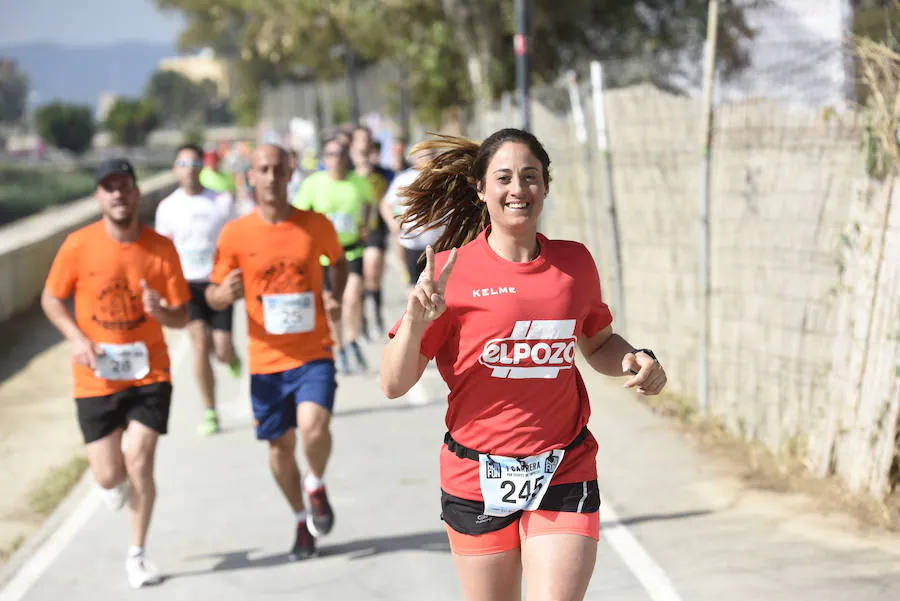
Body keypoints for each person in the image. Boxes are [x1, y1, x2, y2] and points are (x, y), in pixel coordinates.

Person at [379, 129, 668, 601]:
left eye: (530, 177)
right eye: (505, 178)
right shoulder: (449, 273)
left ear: (546, 187)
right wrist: (414, 321)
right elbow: (393, 384)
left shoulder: (574, 263)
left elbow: (598, 344)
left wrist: (636, 360)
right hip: (476, 472)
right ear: (481, 189)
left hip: (563, 465)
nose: (519, 189)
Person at [41, 158, 191, 589]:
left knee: (139, 460)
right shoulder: (77, 245)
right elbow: (52, 300)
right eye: (110, 188)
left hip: (149, 373)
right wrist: (75, 338)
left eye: (125, 186)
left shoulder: (161, 249)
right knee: (109, 475)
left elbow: (181, 317)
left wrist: (161, 311)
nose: (118, 194)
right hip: (96, 377)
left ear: (136, 193)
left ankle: (137, 554)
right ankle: (116, 485)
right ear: (98, 196)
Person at [206, 144, 348, 560]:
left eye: (278, 170)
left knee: (313, 427)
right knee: (279, 449)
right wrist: (223, 294)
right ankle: (301, 518)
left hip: (313, 352)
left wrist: (333, 295)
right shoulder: (235, 234)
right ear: (250, 177)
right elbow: (213, 294)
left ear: (290, 175)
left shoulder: (315, 225)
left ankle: (316, 482)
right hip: (266, 361)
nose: (271, 177)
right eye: (262, 170)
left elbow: (337, 263)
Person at [155, 143, 242, 436]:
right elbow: (162, 251)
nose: (189, 169)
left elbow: (235, 241)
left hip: (217, 282)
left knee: (221, 347)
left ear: (202, 168)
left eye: (194, 164)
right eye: (183, 163)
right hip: (186, 285)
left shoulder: (221, 201)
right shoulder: (167, 207)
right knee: (200, 344)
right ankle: (210, 411)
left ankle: (231, 357)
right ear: (174, 169)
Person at [293, 136, 373, 374]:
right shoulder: (313, 184)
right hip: (324, 257)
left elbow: (370, 202)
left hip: (351, 250)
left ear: (346, 157)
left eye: (339, 154)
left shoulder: (358, 182)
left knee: (354, 296)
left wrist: (365, 225)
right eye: (329, 154)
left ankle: (352, 339)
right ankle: (340, 347)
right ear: (323, 159)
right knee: (333, 305)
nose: (335, 159)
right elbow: (299, 213)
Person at [350, 126, 392, 337]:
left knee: (373, 270)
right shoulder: (348, 173)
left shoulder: (382, 173)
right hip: (353, 231)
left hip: (376, 229)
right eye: (360, 139)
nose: (364, 143)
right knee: (359, 281)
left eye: (367, 139)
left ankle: (376, 314)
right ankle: (363, 319)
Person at [380, 147, 444, 287]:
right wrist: (393, 224)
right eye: (423, 156)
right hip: (413, 242)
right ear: (415, 159)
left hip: (438, 241)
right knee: (415, 286)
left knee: (439, 285)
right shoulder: (404, 178)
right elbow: (385, 204)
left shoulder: (443, 177)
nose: (427, 159)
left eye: (431, 155)